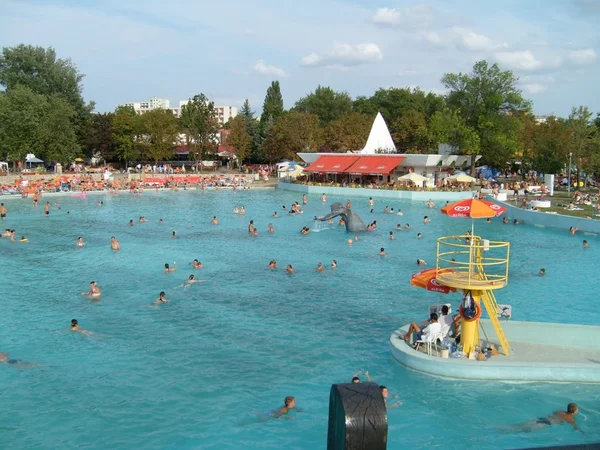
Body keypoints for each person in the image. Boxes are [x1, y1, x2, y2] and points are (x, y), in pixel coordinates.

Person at [513, 403, 581, 433]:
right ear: (574, 411)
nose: (578, 410)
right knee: (523, 430)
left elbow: (553, 413)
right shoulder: (571, 418)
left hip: (542, 419)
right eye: (577, 409)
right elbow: (575, 427)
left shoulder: (560, 411)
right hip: (546, 424)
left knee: (519, 425)